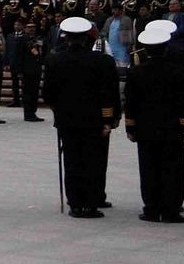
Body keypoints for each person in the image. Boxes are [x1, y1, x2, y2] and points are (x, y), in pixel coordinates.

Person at [43, 14, 121, 217]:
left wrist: (58, 111)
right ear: (88, 38)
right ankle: (91, 202)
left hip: (67, 120)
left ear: (66, 38)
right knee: (93, 161)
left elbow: (48, 94)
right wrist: (110, 119)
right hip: (95, 120)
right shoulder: (103, 61)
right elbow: (110, 93)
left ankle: (75, 203)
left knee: (71, 160)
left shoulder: (55, 60)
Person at [127, 24, 184, 222]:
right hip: (171, 127)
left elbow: (131, 103)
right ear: (166, 47)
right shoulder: (177, 71)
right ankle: (171, 209)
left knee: (148, 167)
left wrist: (130, 126)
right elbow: (183, 101)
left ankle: (151, 207)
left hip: (145, 127)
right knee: (172, 168)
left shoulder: (136, 72)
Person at [13, 14, 46, 122]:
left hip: (35, 69)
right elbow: (18, 56)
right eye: (29, 27)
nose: (32, 30)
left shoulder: (37, 39)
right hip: (26, 70)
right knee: (27, 92)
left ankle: (33, 112)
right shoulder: (22, 40)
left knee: (35, 92)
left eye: (33, 28)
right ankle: (28, 113)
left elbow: (39, 54)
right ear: (25, 28)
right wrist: (19, 71)